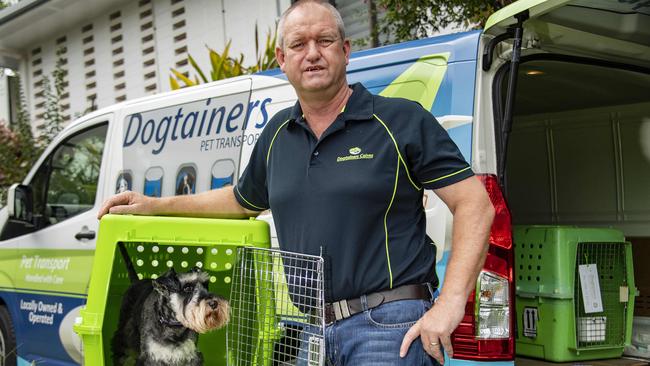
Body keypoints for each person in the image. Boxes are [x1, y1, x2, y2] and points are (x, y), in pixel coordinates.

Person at [98, 1, 495, 364]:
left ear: (345, 49)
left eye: (325, 40)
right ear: (282, 58)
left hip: (390, 328)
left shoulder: (399, 121)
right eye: (299, 43)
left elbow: (474, 204)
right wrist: (153, 205)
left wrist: (450, 303)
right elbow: (240, 201)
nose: (312, 53)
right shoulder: (277, 135)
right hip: (313, 331)